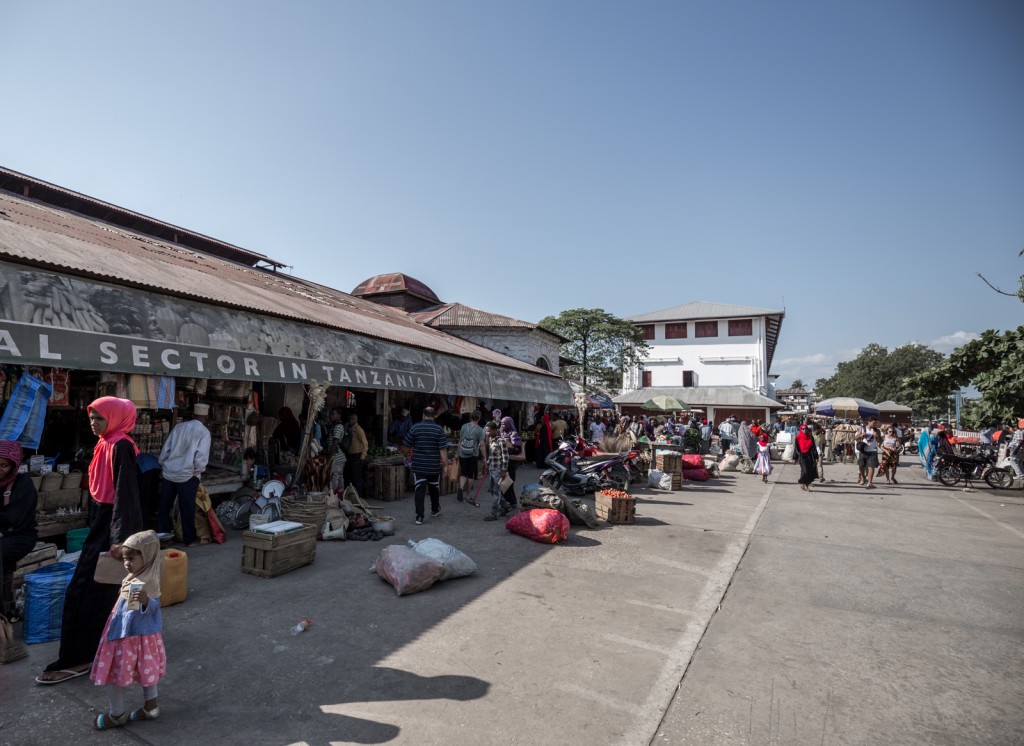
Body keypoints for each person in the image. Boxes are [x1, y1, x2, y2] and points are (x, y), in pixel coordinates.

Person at [37, 397, 143, 685]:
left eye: (99, 418)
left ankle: (78, 658)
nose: (93, 423)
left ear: (116, 417)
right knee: (100, 595)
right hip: (102, 523)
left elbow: (126, 492)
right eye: (92, 418)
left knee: (84, 593)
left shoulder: (120, 445)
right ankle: (98, 650)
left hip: (111, 528)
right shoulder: (106, 443)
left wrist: (121, 538)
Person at [89, 529, 167, 730]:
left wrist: (145, 601)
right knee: (145, 670)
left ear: (146, 556)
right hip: (134, 632)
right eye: (125, 558)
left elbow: (152, 608)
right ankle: (150, 708)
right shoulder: (137, 576)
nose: (126, 563)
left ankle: (117, 714)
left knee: (114, 671)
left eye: (131, 558)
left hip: (129, 635)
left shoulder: (147, 582)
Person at [157, 403, 211, 547]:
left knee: (164, 505)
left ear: (193, 415)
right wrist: (197, 471)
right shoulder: (204, 432)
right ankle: (190, 539)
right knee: (187, 507)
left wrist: (164, 463)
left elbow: (165, 450)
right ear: (205, 417)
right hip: (187, 475)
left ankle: (162, 534)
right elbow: (201, 457)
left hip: (169, 472)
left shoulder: (179, 427)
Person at [0, 440, 38, 615]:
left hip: (18, 536)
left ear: (13, 465)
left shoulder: (23, 484)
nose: (0, 469)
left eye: (4, 465)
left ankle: (2, 613)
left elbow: (13, 519)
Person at [403, 407, 449, 525]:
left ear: (423, 415)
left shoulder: (415, 428)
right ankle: (434, 510)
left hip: (419, 465)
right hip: (434, 465)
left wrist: (405, 455)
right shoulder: (439, 429)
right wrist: (446, 465)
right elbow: (443, 449)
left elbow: (406, 445)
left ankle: (419, 516)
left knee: (419, 489)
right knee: (434, 488)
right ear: (434, 416)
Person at [483, 421, 512, 522]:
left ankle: (493, 514)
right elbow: (491, 455)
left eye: (489, 431)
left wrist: (504, 470)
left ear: (495, 430)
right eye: (486, 431)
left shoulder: (501, 441)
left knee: (496, 491)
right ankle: (506, 505)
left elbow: (505, 457)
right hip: (492, 468)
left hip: (498, 469)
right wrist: (487, 464)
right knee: (492, 489)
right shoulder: (491, 439)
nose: (487, 433)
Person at [456, 412, 485, 504]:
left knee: (463, 473)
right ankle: (467, 495)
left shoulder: (464, 426)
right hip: (473, 455)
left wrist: (457, 453)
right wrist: (485, 457)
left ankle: (460, 488)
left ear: (470, 418)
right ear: (479, 419)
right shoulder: (480, 430)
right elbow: (482, 445)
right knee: (471, 475)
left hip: (463, 453)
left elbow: (460, 441)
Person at [500, 416, 526, 509]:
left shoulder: (514, 434)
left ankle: (511, 502)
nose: (502, 426)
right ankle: (510, 502)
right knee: (505, 483)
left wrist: (506, 450)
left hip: (511, 463)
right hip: (504, 462)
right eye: (501, 424)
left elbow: (518, 450)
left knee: (508, 483)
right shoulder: (503, 433)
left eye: (504, 424)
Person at [344, 413, 369, 498]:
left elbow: (365, 444)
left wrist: (363, 456)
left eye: (351, 419)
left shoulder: (359, 430)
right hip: (350, 455)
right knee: (350, 476)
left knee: (357, 478)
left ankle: (360, 497)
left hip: (357, 456)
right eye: (349, 419)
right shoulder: (350, 429)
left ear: (355, 420)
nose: (349, 421)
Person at [325, 407, 347, 494]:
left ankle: (335, 500)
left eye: (333, 414)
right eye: (330, 414)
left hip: (336, 459)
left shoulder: (337, 427)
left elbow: (335, 443)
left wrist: (329, 458)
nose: (331, 416)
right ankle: (341, 499)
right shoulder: (337, 426)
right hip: (341, 458)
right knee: (340, 480)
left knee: (334, 481)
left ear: (339, 415)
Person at [795, 423, 819, 491]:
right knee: (805, 470)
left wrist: (816, 456)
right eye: (803, 429)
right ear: (801, 429)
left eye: (805, 429)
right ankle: (803, 483)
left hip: (810, 456)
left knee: (809, 471)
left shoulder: (810, 437)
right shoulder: (798, 437)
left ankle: (805, 485)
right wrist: (796, 457)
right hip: (802, 456)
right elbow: (796, 448)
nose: (804, 430)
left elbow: (814, 447)